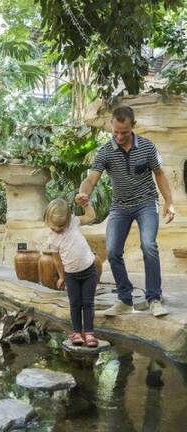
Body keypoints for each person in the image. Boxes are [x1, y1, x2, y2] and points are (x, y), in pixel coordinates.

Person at [75, 106, 175, 318]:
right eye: (116, 132)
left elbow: (160, 174)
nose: (119, 137)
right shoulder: (105, 151)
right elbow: (92, 178)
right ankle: (124, 299)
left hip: (146, 202)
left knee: (148, 245)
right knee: (112, 251)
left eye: (124, 132)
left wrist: (169, 202)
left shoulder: (147, 147)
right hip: (120, 206)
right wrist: (83, 193)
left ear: (133, 127)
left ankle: (154, 299)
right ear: (111, 126)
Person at [44, 198, 98, 347]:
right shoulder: (52, 239)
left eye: (61, 227)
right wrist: (61, 277)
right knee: (74, 304)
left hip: (89, 271)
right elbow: (57, 260)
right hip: (71, 276)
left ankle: (89, 333)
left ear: (68, 218)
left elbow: (91, 216)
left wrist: (86, 205)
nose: (57, 230)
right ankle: (76, 332)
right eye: (54, 226)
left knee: (88, 303)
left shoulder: (74, 222)